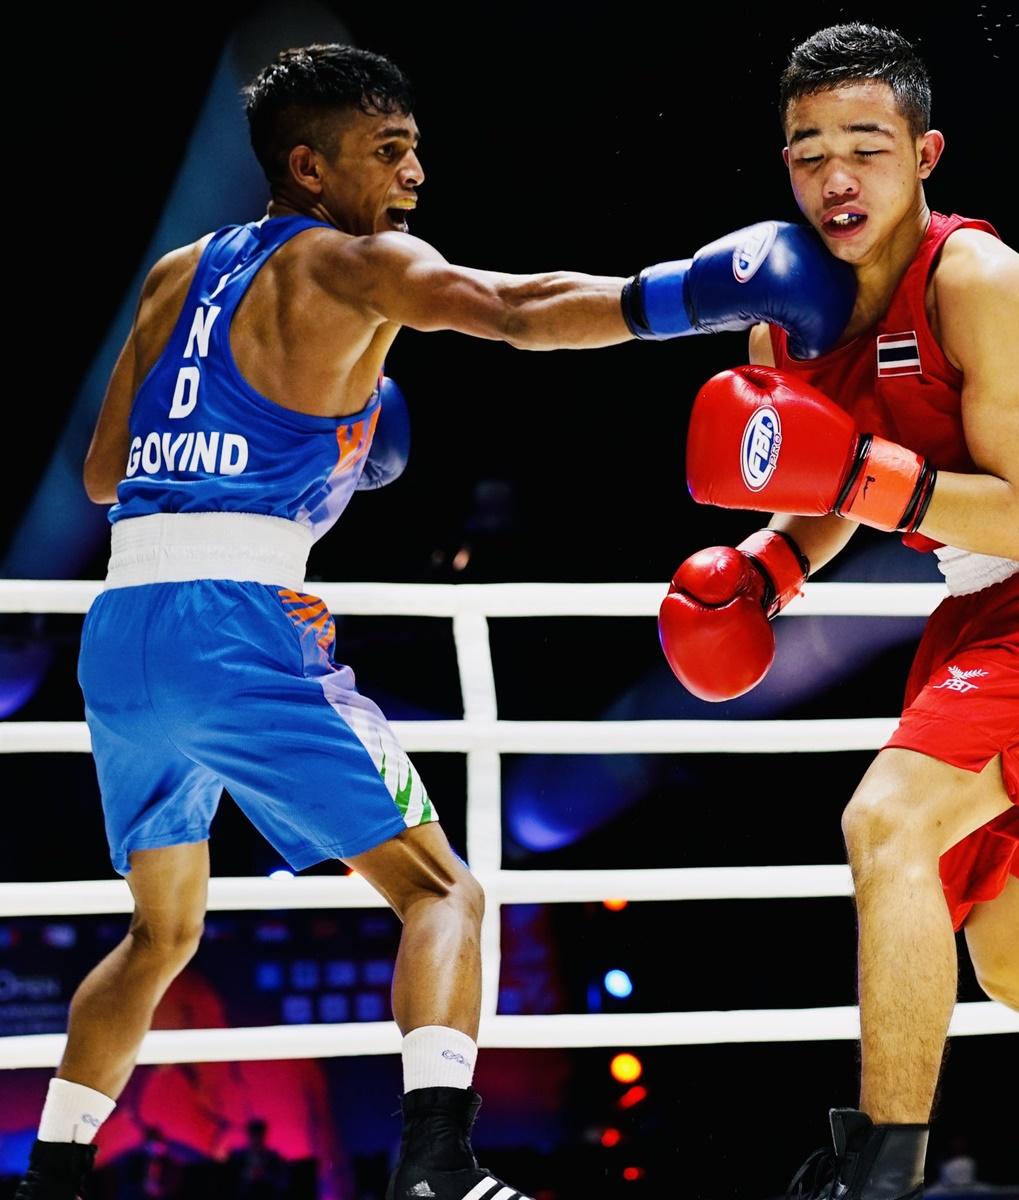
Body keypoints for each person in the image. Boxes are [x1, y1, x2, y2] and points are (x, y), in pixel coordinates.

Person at [15, 41, 857, 1200]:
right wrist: (701, 296)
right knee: (440, 891)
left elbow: (109, 473)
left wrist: (328, 435)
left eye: (416, 147)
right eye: (388, 150)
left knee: (162, 934)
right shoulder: (360, 265)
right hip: (239, 625)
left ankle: (50, 1180)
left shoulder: (174, 274)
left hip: (124, 629)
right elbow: (515, 311)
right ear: (310, 166)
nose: (414, 175)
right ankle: (438, 1167)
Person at [655, 22, 1019, 1198]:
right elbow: (827, 482)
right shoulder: (785, 313)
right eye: (808, 152)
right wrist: (768, 571)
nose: (836, 176)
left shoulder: (980, 281)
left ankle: (881, 1171)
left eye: (866, 144)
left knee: (884, 823)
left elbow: (1016, 511)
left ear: (925, 153)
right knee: (1018, 965)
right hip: (975, 611)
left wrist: (849, 478)